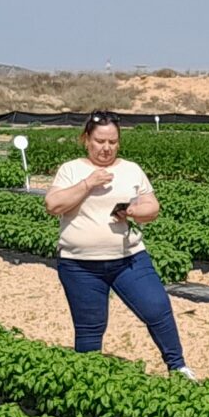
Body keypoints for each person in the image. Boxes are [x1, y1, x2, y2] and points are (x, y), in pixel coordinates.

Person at [45, 111, 193, 376]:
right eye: (100, 141)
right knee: (90, 327)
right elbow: (54, 205)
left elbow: (152, 207)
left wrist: (135, 211)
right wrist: (89, 183)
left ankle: (178, 366)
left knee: (156, 308)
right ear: (86, 139)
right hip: (80, 265)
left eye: (112, 142)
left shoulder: (130, 169)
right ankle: (88, 379)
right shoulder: (72, 169)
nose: (106, 148)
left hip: (129, 259)